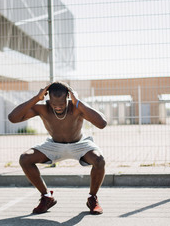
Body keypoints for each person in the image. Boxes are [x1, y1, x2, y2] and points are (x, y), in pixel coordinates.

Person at [8, 81, 107, 214]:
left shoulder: (76, 106)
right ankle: (46, 197)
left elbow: (102, 123)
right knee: (25, 158)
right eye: (54, 104)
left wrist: (77, 101)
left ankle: (92, 198)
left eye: (61, 104)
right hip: (53, 145)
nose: (58, 107)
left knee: (99, 160)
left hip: (79, 144)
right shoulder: (43, 108)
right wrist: (37, 98)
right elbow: (13, 118)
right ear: (48, 98)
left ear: (68, 97)